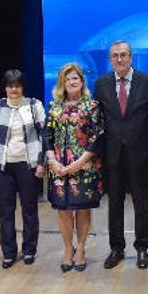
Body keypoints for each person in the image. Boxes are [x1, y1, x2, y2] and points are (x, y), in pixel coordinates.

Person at [93, 41, 148, 270]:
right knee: (114, 204)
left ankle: (142, 249)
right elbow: (98, 121)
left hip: (140, 154)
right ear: (110, 59)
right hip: (112, 156)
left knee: (141, 203)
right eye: (115, 56)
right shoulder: (100, 84)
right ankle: (116, 248)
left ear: (131, 57)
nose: (119, 60)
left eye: (123, 55)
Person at [44, 62, 104, 272]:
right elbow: (47, 136)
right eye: (67, 79)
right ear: (62, 82)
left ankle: (81, 249)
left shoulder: (92, 106)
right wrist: (53, 161)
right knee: (63, 211)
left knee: (82, 210)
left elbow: (97, 137)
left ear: (81, 81)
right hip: (58, 168)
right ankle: (67, 249)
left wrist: (78, 163)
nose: (71, 82)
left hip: (84, 167)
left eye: (75, 78)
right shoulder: (53, 106)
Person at [0, 70, 46, 269]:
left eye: (17, 85)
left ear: (23, 87)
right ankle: (8, 252)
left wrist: (40, 162)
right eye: (10, 85)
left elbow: (43, 136)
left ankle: (29, 250)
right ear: (5, 87)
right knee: (5, 211)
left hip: (27, 165)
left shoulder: (34, 105)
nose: (14, 89)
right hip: (3, 167)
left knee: (29, 210)